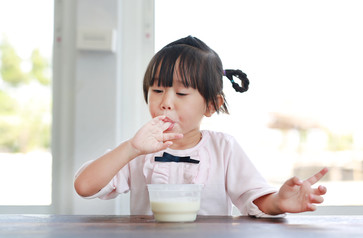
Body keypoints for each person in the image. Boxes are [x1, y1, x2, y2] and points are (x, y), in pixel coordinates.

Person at [74, 36, 328, 217]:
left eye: (182, 93)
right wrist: (130, 149)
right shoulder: (139, 151)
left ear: (211, 105)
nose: (165, 102)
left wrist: (280, 202)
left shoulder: (223, 148)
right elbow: (84, 187)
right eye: (157, 90)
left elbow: (257, 199)